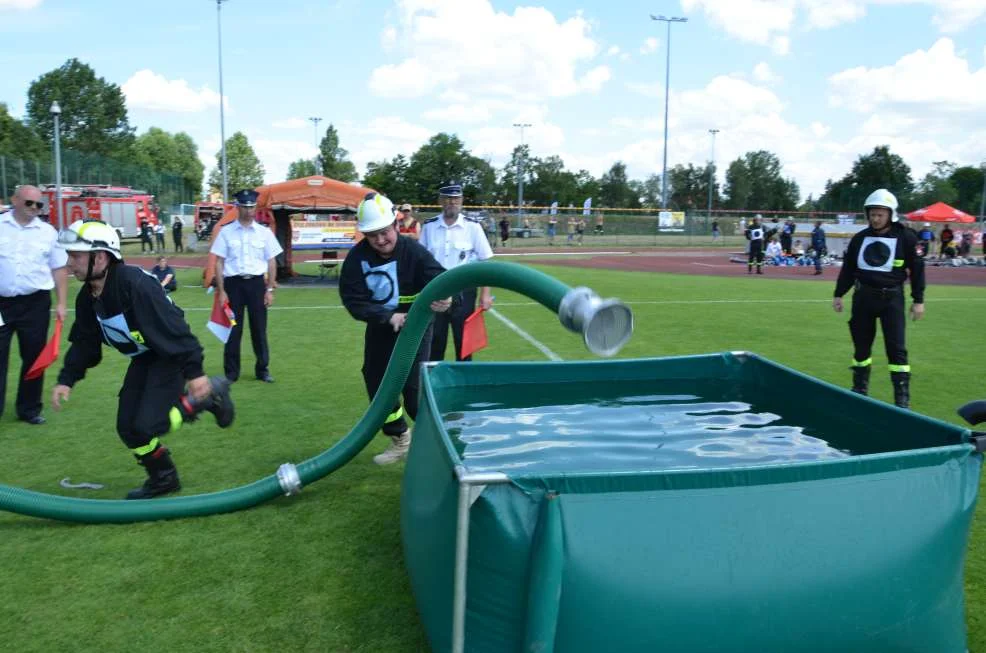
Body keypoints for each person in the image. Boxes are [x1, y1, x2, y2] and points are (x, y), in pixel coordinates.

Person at [50, 219, 234, 499]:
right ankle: (164, 478)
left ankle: (202, 399)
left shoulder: (134, 285)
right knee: (128, 428)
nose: (69, 262)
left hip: (168, 355)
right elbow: (85, 345)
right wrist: (67, 379)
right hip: (145, 358)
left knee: (149, 424)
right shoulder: (87, 298)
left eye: (75, 255)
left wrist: (195, 373)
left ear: (100, 257)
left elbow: (176, 333)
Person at [339, 192, 451, 464]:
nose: (380, 240)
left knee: (415, 390)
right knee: (378, 384)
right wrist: (386, 317)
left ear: (396, 226)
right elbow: (354, 300)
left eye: (384, 232)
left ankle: (440, 444)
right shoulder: (357, 259)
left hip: (417, 328)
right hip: (381, 327)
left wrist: (446, 298)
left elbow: (441, 279)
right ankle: (400, 437)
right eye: (372, 234)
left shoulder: (413, 251)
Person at [832, 189, 925, 409]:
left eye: (880, 214)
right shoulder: (860, 238)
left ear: (890, 214)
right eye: (872, 214)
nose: (875, 218)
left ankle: (902, 399)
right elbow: (848, 269)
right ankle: (859, 389)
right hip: (863, 298)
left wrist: (918, 300)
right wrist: (839, 293)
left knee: (897, 348)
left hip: (892, 299)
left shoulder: (906, 237)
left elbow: (918, 270)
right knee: (861, 348)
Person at [0, 185, 69, 425]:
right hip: (2, 304)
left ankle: (29, 409)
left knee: (34, 357)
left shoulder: (48, 232)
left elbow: (59, 268)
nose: (34, 208)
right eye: (29, 203)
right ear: (15, 200)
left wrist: (61, 303)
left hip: (35, 303)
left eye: (39, 205)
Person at [210, 189, 282, 383]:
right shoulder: (226, 232)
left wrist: (270, 289)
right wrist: (222, 291)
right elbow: (219, 262)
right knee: (233, 330)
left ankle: (263, 369)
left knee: (259, 329)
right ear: (238, 207)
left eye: (252, 207)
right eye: (245, 207)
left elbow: (272, 261)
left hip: (257, 284)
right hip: (234, 285)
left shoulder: (264, 233)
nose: (249, 210)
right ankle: (231, 373)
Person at [419, 182, 494, 361]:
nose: (451, 202)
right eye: (447, 198)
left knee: (464, 344)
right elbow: (420, 262)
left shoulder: (473, 227)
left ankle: (463, 384)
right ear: (440, 201)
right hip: (436, 291)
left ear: (461, 201)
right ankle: (435, 384)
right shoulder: (429, 227)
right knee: (435, 341)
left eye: (455, 198)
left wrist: (485, 294)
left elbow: (486, 262)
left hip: (463, 293)